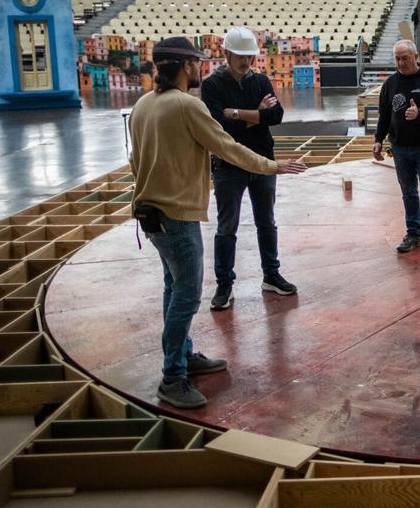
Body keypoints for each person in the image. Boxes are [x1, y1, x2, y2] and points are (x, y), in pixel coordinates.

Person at [129, 37, 306, 409]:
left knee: (172, 289)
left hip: (150, 212)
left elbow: (135, 158)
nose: (199, 67)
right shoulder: (187, 105)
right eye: (195, 62)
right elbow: (227, 147)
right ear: (185, 66)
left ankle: (184, 355)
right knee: (187, 296)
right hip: (177, 214)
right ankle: (173, 377)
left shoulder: (144, 104)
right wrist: (273, 165)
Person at [201, 27, 293, 311]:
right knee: (227, 227)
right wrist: (256, 114)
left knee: (266, 221)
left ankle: (271, 274)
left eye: (250, 56)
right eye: (241, 56)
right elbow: (217, 125)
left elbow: (275, 115)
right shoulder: (212, 86)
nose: (246, 61)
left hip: (262, 160)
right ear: (226, 54)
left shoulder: (261, 80)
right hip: (229, 165)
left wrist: (238, 113)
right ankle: (224, 284)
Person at [373, 40, 420, 257]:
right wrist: (378, 139)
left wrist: (419, 114)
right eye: (397, 58)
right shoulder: (390, 84)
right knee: (408, 193)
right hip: (400, 147)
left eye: (405, 57)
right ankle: (413, 235)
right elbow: (385, 116)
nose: (400, 62)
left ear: (416, 57)